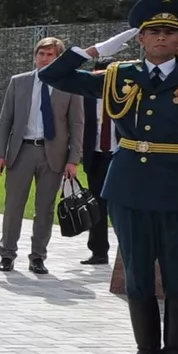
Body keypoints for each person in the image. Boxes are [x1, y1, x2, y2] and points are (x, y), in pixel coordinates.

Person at [42, 0, 178, 354]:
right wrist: (95, 50)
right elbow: (51, 76)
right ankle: (146, 352)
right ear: (140, 38)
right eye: (153, 31)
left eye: (169, 32)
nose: (161, 37)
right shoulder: (119, 76)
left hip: (177, 189)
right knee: (138, 274)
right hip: (129, 188)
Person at [0, 37, 84, 274]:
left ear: (59, 58)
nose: (44, 59)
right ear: (35, 56)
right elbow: (5, 120)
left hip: (53, 153)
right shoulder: (19, 82)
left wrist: (73, 159)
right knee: (13, 206)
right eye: (41, 54)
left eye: (50, 55)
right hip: (22, 150)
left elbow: (77, 124)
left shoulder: (71, 85)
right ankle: (7, 254)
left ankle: (38, 256)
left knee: (45, 208)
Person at [77, 56, 115, 265]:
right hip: (97, 156)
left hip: (120, 155)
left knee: (121, 205)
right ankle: (99, 251)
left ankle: (127, 252)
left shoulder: (125, 96)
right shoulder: (86, 97)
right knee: (97, 205)